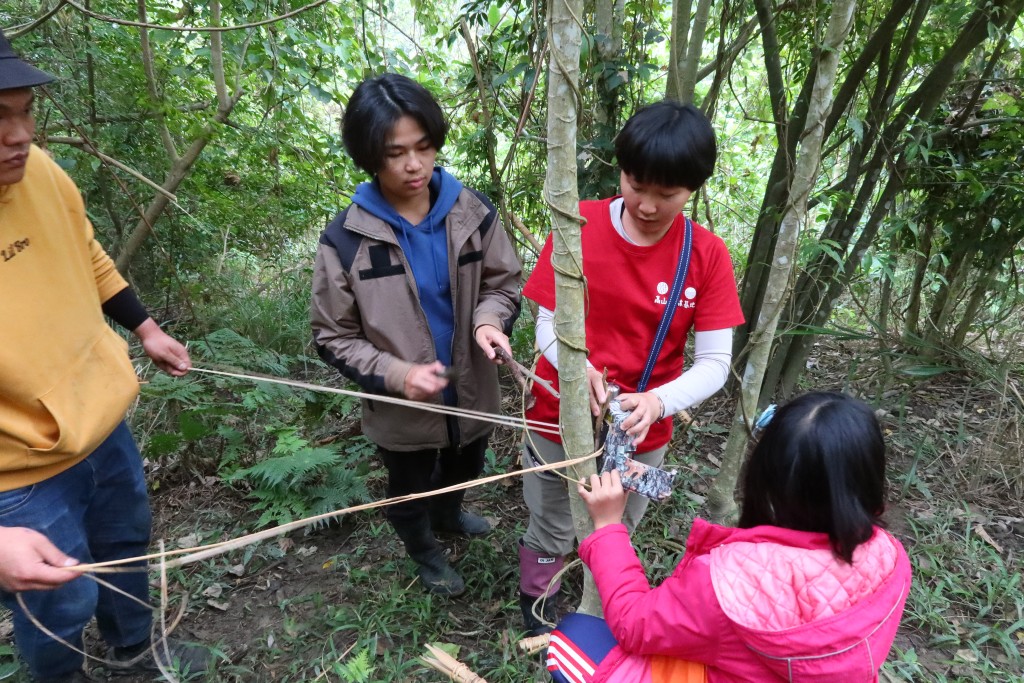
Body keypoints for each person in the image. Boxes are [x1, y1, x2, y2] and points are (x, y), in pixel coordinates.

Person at [0, 30, 208, 682]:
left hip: (100, 421)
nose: (19, 135)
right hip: (17, 476)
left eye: (24, 110)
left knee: (123, 546)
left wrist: (144, 326)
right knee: (59, 603)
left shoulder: (40, 172)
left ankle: (137, 650)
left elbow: (86, 251)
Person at [518, 101, 744, 634]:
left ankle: (599, 609)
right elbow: (546, 324)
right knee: (550, 515)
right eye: (635, 184)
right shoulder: (578, 224)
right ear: (620, 171)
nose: (646, 204)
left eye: (668, 194)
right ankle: (536, 600)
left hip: (640, 429)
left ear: (694, 188)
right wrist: (580, 370)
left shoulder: (706, 256)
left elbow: (715, 363)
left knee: (616, 522)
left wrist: (659, 401)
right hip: (557, 409)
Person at [311, 73, 522, 597]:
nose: (413, 165)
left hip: (471, 387)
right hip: (400, 408)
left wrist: (489, 320)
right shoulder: (345, 239)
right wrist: (396, 373)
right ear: (368, 156)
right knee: (407, 486)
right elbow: (332, 335)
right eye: (395, 152)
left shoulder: (472, 213)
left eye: (424, 147)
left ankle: (450, 513)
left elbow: (503, 282)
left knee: (466, 462)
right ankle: (424, 551)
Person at [546, 392, 913, 683]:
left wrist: (609, 527)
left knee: (572, 639)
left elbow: (633, 624)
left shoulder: (727, 584)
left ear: (764, 478)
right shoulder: (890, 556)